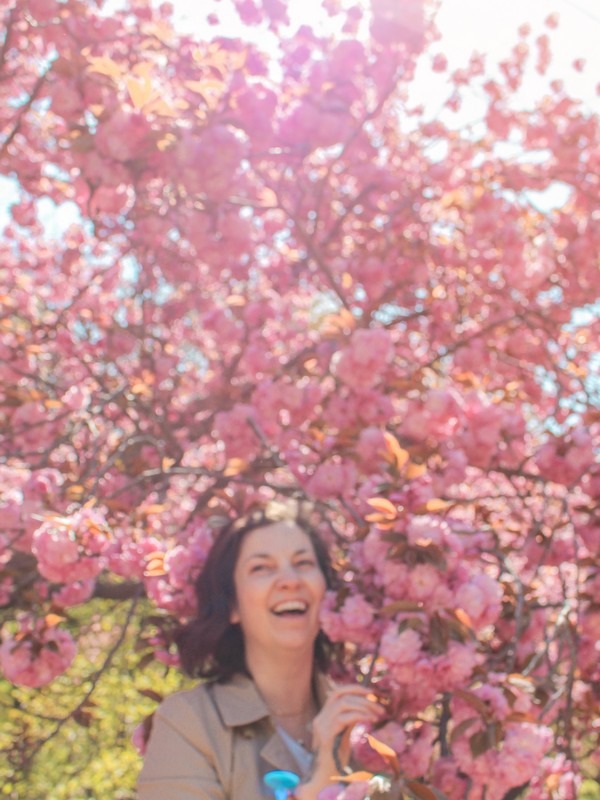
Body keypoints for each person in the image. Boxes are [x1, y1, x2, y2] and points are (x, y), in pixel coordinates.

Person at [137, 502, 385, 799]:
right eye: (261, 568)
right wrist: (319, 783)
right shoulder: (189, 725)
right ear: (232, 605)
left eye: (303, 563)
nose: (290, 581)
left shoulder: (362, 722)